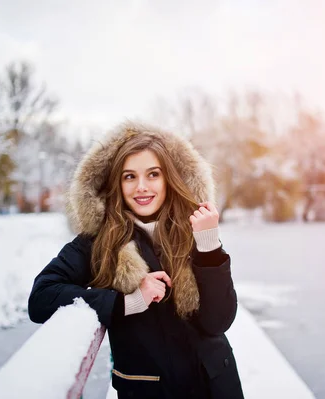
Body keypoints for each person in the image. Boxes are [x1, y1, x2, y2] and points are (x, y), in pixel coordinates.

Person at [28, 122, 244, 399]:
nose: (141, 187)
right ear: (115, 183)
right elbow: (41, 298)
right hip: (148, 392)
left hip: (216, 387)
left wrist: (209, 245)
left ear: (169, 178)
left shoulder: (194, 231)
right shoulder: (97, 243)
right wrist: (129, 302)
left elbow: (218, 321)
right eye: (129, 176)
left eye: (153, 174)